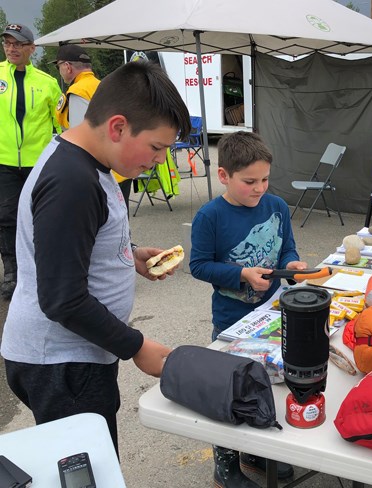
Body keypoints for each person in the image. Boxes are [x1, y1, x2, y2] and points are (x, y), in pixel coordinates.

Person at [1, 60, 192, 455]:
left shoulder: (92, 162)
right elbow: (62, 299)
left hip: (76, 356)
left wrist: (130, 254)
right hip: (62, 363)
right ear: (118, 126)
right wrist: (136, 345)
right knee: (87, 470)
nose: (160, 160)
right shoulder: (72, 181)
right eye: (156, 147)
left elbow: (77, 241)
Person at [190, 131, 306, 488]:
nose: (260, 189)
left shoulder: (277, 207)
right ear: (224, 176)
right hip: (232, 320)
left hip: (271, 314)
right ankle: (226, 465)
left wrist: (294, 265)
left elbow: (286, 248)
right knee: (230, 390)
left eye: (266, 179)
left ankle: (256, 450)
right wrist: (240, 273)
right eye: (250, 181)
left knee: (267, 387)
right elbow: (198, 266)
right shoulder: (210, 216)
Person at [0, 23, 62, 300]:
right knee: (6, 218)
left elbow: (62, 123)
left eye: (18, 44)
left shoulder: (47, 83)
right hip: (4, 162)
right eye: (7, 43)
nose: (12, 48)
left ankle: (39, 270)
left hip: (38, 164)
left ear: (31, 48)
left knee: (40, 217)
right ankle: (12, 274)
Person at [51, 44, 134, 208]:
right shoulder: (103, 85)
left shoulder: (78, 90)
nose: (59, 70)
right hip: (119, 169)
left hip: (97, 174)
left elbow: (80, 139)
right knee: (118, 226)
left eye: (58, 66)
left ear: (67, 67)